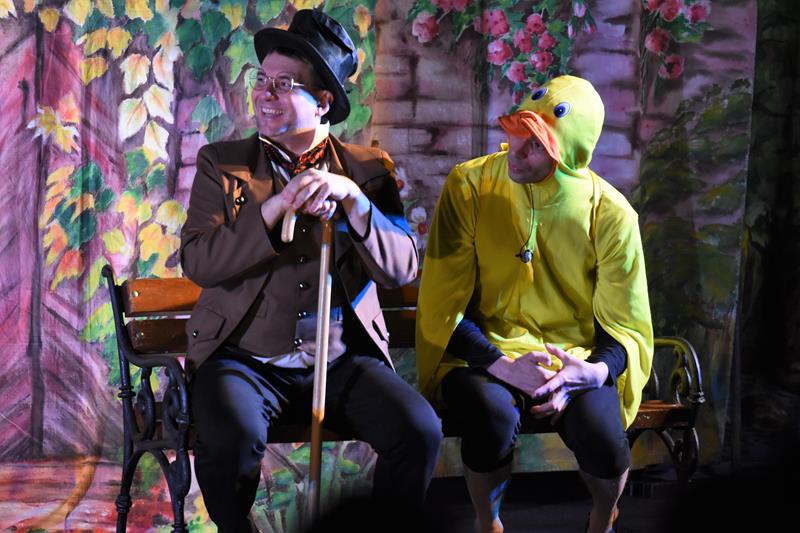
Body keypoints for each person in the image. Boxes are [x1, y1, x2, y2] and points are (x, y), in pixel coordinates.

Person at [180, 9, 442, 532]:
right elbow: (200, 262)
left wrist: (354, 202)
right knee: (229, 441)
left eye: (284, 84)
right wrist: (275, 209)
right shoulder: (222, 164)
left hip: (340, 361)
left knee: (419, 430)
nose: (265, 94)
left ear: (322, 102)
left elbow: (400, 270)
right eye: (262, 80)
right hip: (245, 360)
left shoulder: (368, 170)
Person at [416, 75, 653, 533]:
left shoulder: (611, 213)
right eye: (517, 133)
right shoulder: (470, 185)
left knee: (604, 438)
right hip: (483, 356)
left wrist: (591, 372)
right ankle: (488, 522)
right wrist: (501, 364)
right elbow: (443, 302)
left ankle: (603, 518)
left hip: (573, 360)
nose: (517, 151)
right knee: (492, 415)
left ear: (568, 155)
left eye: (536, 145)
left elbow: (625, 323)